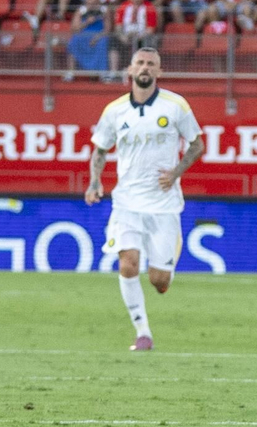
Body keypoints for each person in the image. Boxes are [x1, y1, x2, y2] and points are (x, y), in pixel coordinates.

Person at [83, 47, 206, 351]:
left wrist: (176, 172)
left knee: (159, 281)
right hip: (127, 203)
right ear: (130, 69)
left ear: (159, 72)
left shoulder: (175, 105)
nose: (145, 67)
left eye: (151, 64)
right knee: (128, 265)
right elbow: (100, 150)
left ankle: (166, 263)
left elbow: (197, 144)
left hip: (163, 204)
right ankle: (143, 333)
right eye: (140, 62)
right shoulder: (114, 110)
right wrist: (95, 182)